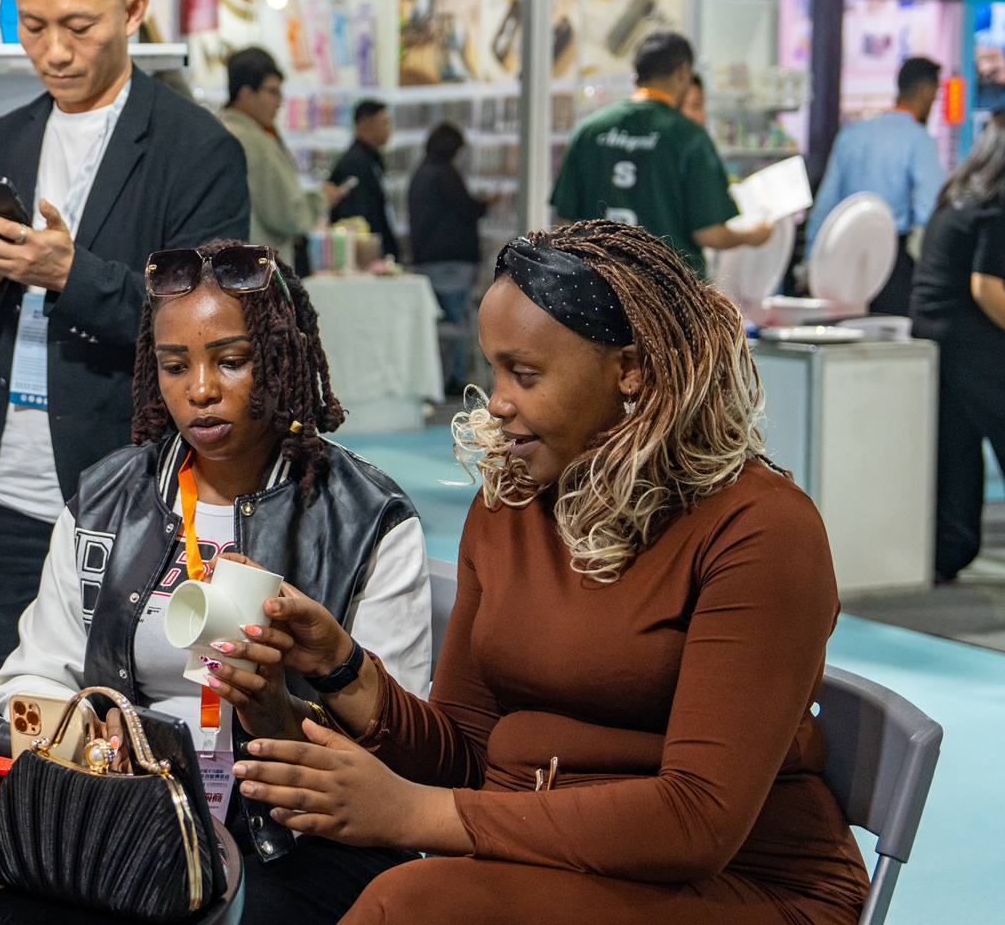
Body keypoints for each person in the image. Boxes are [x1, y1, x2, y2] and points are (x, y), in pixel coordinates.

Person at [222, 220, 870, 925]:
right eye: (493, 369)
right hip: (548, 860)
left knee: (412, 907)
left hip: (744, 886)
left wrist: (417, 816)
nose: (497, 402)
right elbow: (468, 754)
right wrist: (343, 668)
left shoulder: (761, 529)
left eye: (525, 374)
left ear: (632, 370)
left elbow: (698, 822)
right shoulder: (511, 503)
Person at [0, 239, 431, 925]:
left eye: (232, 360)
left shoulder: (364, 517)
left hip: (296, 836)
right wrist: (88, 737)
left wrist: (273, 713)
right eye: (174, 365)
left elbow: (403, 740)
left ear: (282, 360)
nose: (199, 389)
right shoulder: (106, 503)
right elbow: (34, 677)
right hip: (132, 822)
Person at [0, 0, 250, 676]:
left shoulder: (196, 148)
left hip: (133, 492)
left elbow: (217, 329)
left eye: (78, 26)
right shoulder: (4, 137)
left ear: (134, 10)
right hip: (6, 501)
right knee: (23, 726)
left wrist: (68, 275)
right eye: (33, 24)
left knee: (132, 722)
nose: (53, 51)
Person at [910, 111, 1005, 582]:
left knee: (956, 447)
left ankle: (950, 549)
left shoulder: (960, 196)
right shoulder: (1000, 205)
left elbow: (999, 270)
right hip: (973, 337)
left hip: (935, 334)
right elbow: (986, 287)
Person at [551, 31, 773, 275]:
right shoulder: (688, 137)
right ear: (683, 73)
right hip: (668, 294)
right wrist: (753, 235)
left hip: (599, 287)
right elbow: (709, 233)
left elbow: (564, 223)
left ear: (637, 76)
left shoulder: (589, 131)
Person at [807, 56, 947, 316]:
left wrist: (811, 260)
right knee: (886, 345)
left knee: (845, 335)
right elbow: (929, 211)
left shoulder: (852, 134)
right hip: (890, 261)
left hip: (843, 253)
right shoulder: (919, 140)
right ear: (927, 91)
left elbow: (825, 203)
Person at [218, 47, 345, 255]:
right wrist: (321, 199)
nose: (280, 102)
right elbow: (287, 214)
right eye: (272, 92)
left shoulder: (218, 130)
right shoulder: (252, 141)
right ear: (246, 93)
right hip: (260, 268)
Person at [406, 123, 495, 397]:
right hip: (452, 262)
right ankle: (455, 381)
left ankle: (435, 380)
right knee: (458, 322)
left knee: (434, 324)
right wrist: (486, 204)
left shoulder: (420, 174)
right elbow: (466, 209)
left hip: (426, 259)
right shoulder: (445, 174)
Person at [327, 99, 401, 262]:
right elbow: (358, 217)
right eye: (384, 123)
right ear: (366, 124)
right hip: (364, 256)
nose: (389, 129)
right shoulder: (356, 163)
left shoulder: (368, 159)